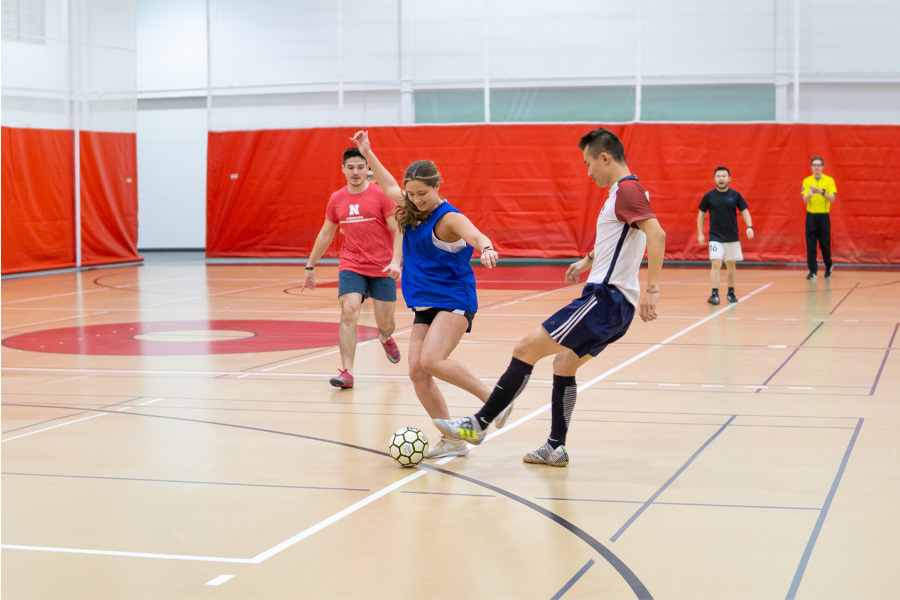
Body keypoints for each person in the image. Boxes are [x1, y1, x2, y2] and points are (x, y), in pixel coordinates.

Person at [434, 127, 666, 467]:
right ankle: (555, 446)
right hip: (618, 307)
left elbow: (656, 233)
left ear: (605, 157)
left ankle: (479, 423)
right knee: (564, 363)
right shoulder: (626, 192)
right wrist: (589, 259)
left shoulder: (627, 190)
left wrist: (654, 289)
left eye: (589, 163)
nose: (588, 171)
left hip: (605, 299)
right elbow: (621, 237)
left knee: (525, 349)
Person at [350, 130, 512, 459]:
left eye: (422, 193)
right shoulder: (409, 204)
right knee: (417, 372)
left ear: (437, 187)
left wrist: (487, 248)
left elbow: (477, 235)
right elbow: (388, 184)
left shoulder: (448, 217)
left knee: (432, 360)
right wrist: (367, 153)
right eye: (410, 194)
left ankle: (496, 401)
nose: (415, 199)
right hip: (424, 304)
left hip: (453, 301)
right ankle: (452, 439)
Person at [301, 147, 403, 389]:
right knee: (349, 311)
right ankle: (347, 372)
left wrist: (396, 261)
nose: (356, 172)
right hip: (352, 264)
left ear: (367, 169)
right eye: (351, 167)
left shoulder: (381, 195)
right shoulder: (337, 199)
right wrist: (309, 265)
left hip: (382, 266)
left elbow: (398, 230)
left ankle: (386, 337)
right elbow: (326, 233)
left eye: (360, 167)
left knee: (385, 322)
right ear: (343, 169)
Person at [697, 166, 754, 304]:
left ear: (729, 178)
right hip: (715, 237)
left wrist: (750, 227)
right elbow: (701, 214)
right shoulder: (709, 196)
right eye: (718, 176)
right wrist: (700, 233)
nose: (721, 178)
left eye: (724, 176)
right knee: (716, 262)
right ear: (714, 179)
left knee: (731, 265)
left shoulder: (735, 195)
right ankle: (714, 294)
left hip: (732, 237)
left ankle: (731, 292)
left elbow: (744, 211)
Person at [801, 156, 837, 279]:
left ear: (822, 166)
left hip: (823, 216)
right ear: (811, 167)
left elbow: (832, 198)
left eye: (819, 165)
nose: (816, 167)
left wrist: (821, 192)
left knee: (824, 244)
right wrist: (811, 193)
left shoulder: (829, 181)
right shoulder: (806, 181)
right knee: (810, 244)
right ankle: (813, 271)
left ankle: (828, 265)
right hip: (811, 216)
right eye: (814, 165)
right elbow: (805, 199)